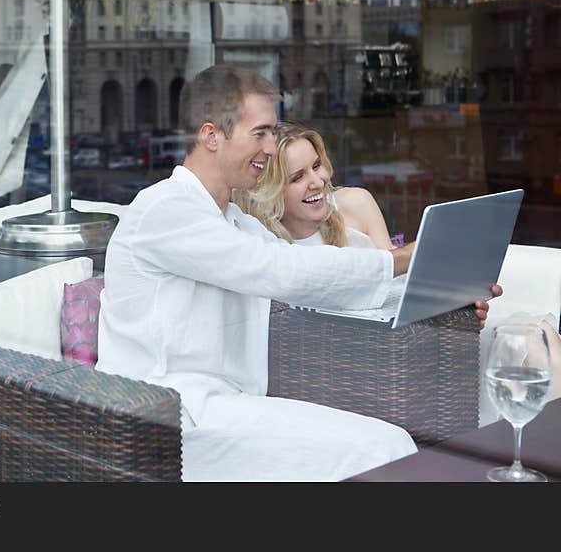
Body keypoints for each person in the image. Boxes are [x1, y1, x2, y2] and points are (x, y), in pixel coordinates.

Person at [95, 64, 495, 481]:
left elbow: (317, 286)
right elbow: (283, 270)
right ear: (211, 135)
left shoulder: (234, 222)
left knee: (389, 443)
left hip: (226, 407)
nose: (271, 148)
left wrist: (442, 290)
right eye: (261, 133)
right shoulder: (165, 210)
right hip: (164, 419)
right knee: (386, 448)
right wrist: (401, 258)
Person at [233, 121, 399, 250]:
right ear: (268, 191)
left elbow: (397, 281)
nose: (319, 182)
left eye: (316, 165)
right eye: (298, 177)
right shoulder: (260, 244)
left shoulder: (356, 203)